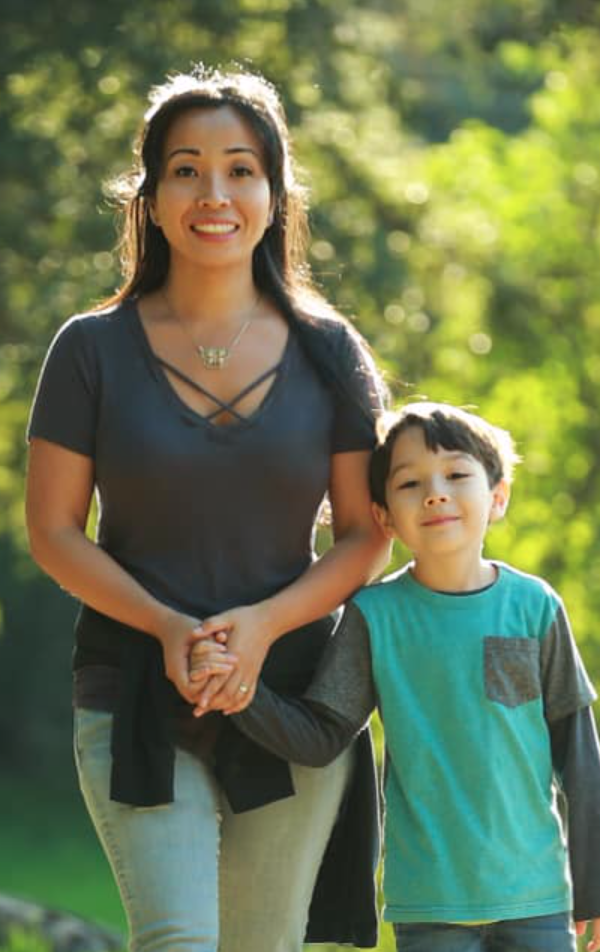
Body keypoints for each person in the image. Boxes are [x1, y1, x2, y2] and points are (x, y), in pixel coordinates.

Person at [24, 65, 390, 952]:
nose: (213, 193)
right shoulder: (90, 350)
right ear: (149, 198)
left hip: (295, 701)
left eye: (240, 169)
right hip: (134, 688)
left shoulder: (331, 352)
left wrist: (260, 630)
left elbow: (365, 537)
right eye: (185, 170)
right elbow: (54, 530)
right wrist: (167, 629)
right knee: (179, 941)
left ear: (274, 193)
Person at [193, 402, 600, 952]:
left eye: (456, 474)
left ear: (497, 497)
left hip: (537, 898)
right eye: (410, 484)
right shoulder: (375, 616)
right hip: (429, 905)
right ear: (383, 518)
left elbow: (578, 755)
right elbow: (321, 736)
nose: (435, 493)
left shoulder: (534, 606)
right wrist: (241, 693)